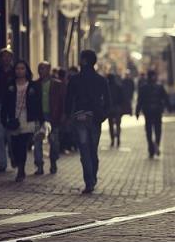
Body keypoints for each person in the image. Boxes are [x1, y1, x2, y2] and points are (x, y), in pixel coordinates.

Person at [65, 50, 111, 194]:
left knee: (84, 150)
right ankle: (92, 177)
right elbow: (108, 101)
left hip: (80, 118)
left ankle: (89, 181)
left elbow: (68, 100)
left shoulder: (74, 79)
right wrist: (103, 116)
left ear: (84, 61)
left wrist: (68, 116)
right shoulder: (101, 80)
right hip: (95, 118)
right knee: (93, 150)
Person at [1, 60, 43, 182]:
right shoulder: (10, 85)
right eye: (17, 68)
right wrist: (3, 119)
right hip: (13, 118)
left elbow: (38, 104)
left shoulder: (33, 85)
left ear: (26, 70)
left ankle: (21, 170)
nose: (20, 71)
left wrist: (40, 120)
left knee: (22, 145)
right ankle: (15, 160)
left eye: (22, 68)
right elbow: (5, 104)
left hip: (28, 119)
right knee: (14, 145)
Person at [33, 61, 66, 175]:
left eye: (44, 68)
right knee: (37, 141)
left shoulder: (58, 84)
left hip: (53, 117)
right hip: (39, 116)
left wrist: (63, 115)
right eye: (40, 68)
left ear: (49, 70)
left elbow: (63, 101)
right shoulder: (35, 84)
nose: (41, 71)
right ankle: (39, 166)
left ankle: (53, 162)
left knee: (54, 142)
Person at [136, 70, 171, 159]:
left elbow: (140, 101)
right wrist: (168, 107)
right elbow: (166, 98)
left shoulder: (143, 87)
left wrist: (137, 111)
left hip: (148, 112)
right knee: (157, 130)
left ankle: (151, 147)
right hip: (157, 112)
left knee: (149, 131)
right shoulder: (159, 87)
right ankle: (156, 145)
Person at [0, 48, 15, 172]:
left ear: (11, 58)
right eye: (3, 56)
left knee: (11, 135)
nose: (6, 59)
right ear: (0, 58)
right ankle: (2, 163)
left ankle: (14, 158)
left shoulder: (15, 72)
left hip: (12, 107)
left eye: (8, 56)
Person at [107, 73, 125, 147]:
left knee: (111, 125)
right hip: (117, 108)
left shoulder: (107, 87)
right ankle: (118, 139)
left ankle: (112, 140)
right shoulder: (118, 87)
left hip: (110, 108)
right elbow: (122, 98)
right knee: (118, 124)